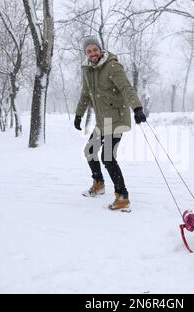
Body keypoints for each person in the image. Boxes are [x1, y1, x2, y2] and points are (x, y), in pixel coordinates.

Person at [74, 36, 147, 210]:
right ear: (86, 53)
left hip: (116, 118)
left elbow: (126, 88)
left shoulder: (112, 66)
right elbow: (85, 94)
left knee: (108, 157)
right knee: (90, 151)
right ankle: (98, 184)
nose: (92, 53)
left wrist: (137, 108)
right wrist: (78, 115)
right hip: (102, 120)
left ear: (100, 49)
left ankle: (122, 197)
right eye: (89, 51)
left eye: (95, 49)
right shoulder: (87, 70)